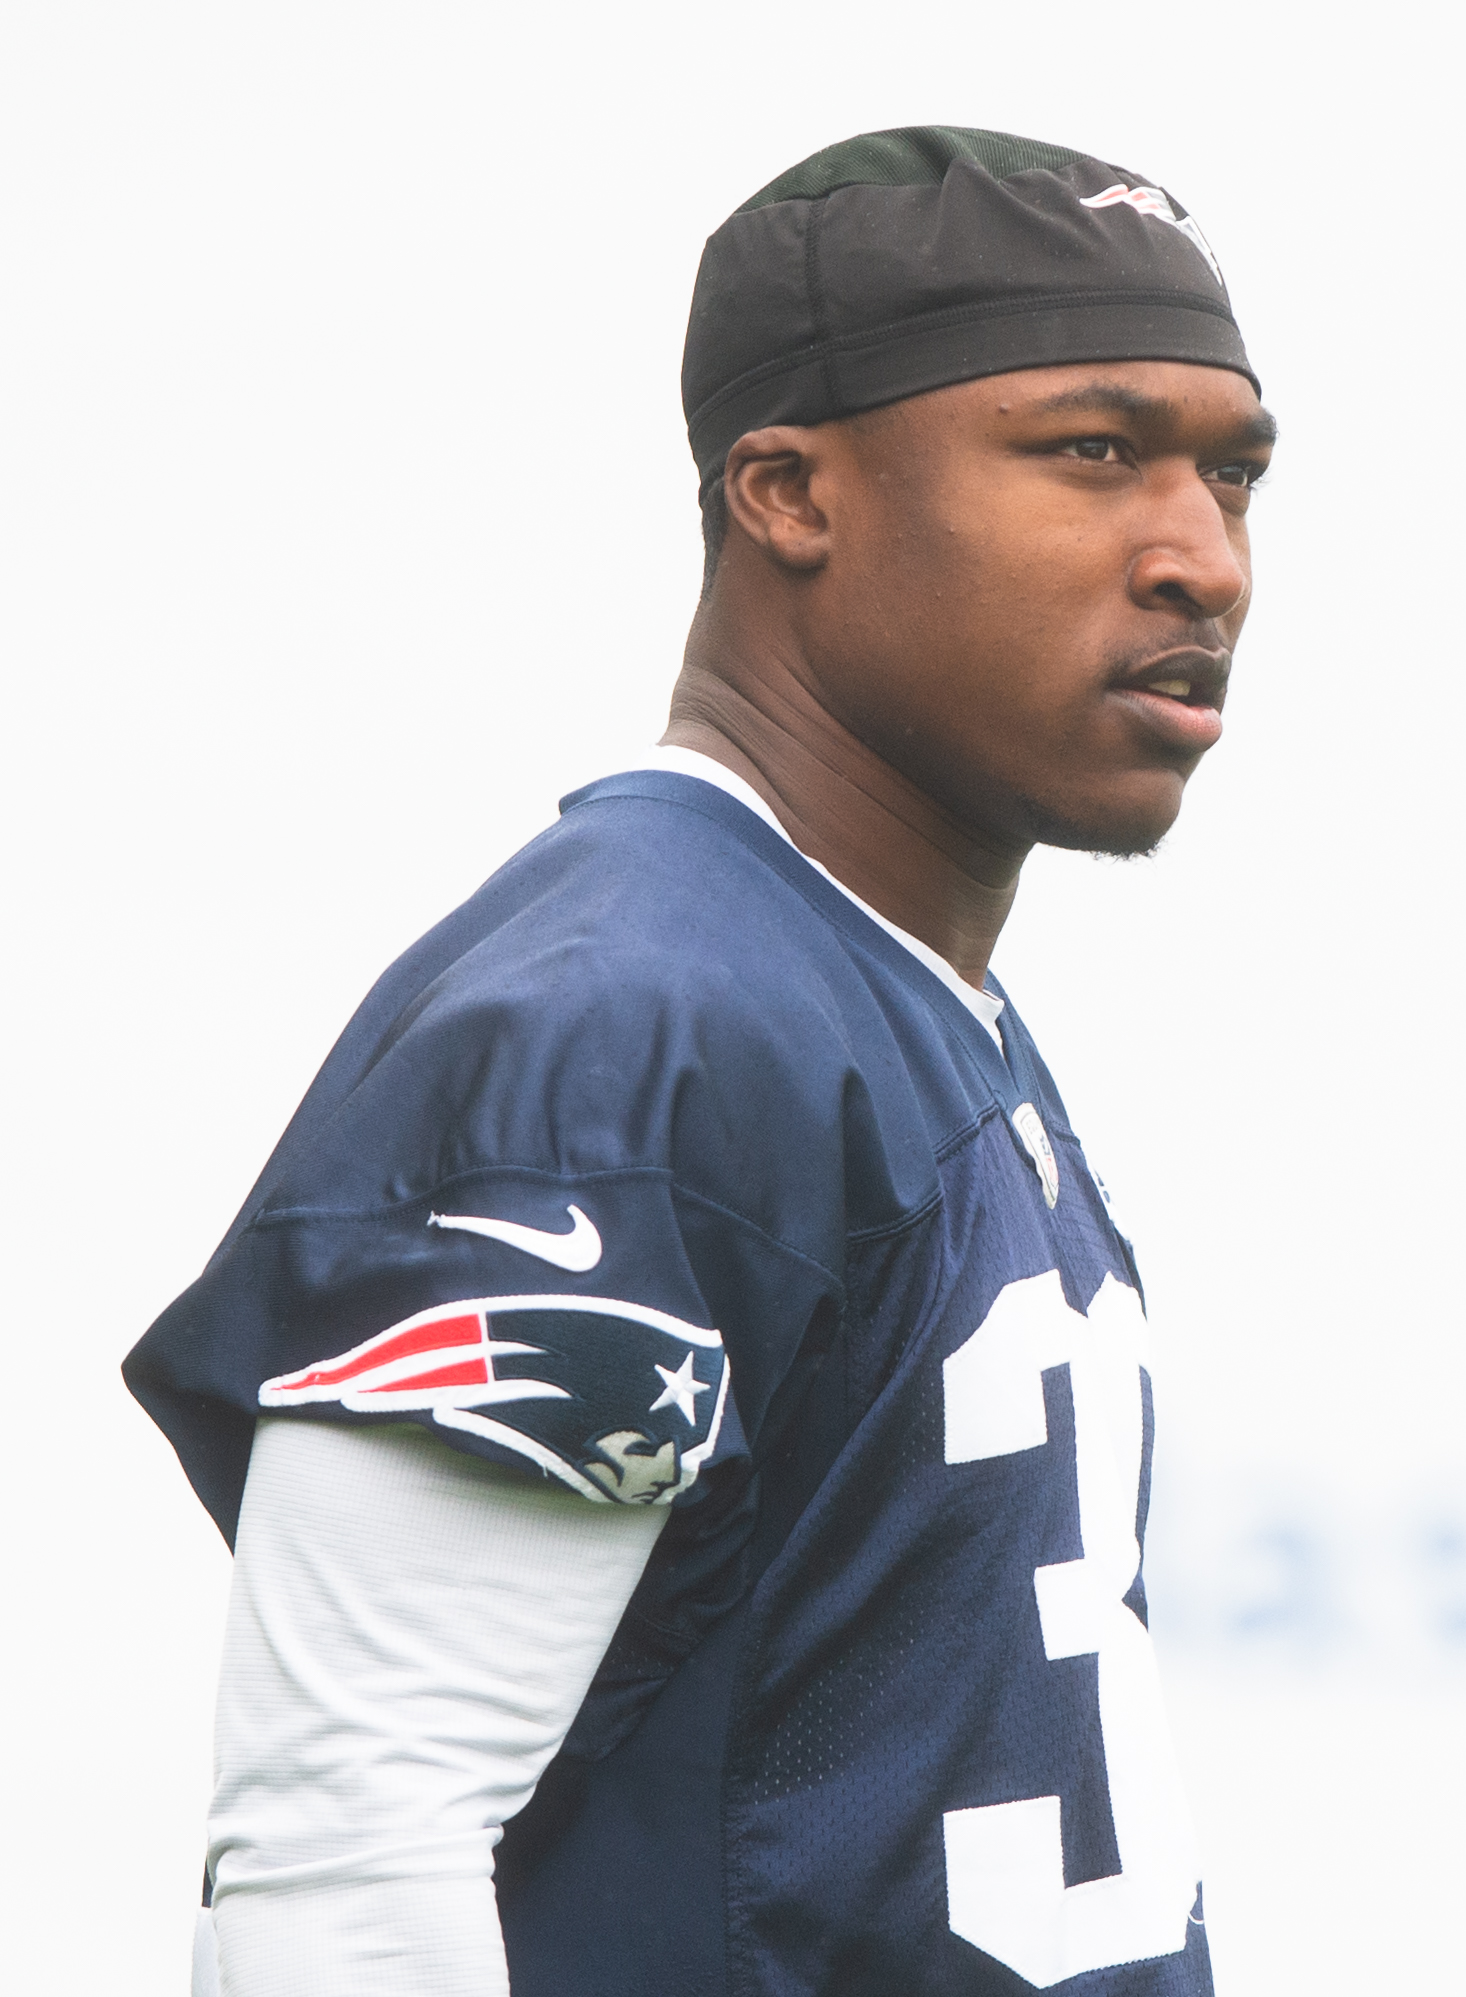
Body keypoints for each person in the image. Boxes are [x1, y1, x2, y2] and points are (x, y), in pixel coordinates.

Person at [124, 125, 1271, 1997]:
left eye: (1233, 475)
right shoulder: (623, 1031)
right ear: (790, 495)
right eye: (1092, 453)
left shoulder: (866, 979)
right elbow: (350, 1855)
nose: (1198, 559)